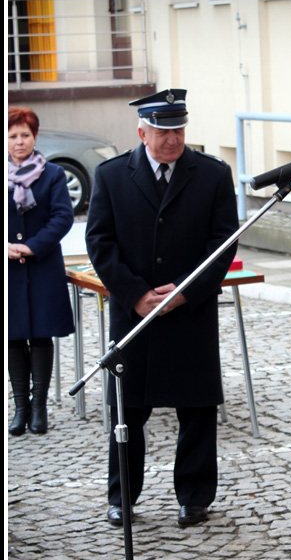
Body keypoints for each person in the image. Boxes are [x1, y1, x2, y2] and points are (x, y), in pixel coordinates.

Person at [86, 89, 239, 528]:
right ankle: (122, 496)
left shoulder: (211, 174)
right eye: (162, 131)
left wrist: (186, 292)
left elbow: (223, 243)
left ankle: (194, 496)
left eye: (178, 130)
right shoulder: (112, 176)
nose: (172, 140)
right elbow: (100, 241)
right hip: (135, 314)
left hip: (189, 312)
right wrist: (135, 293)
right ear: (142, 131)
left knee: (196, 407)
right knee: (128, 409)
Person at [8, 106, 75, 436]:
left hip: (42, 265)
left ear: (35, 137)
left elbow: (62, 217)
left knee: (40, 335)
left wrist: (32, 246)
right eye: (13, 136)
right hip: (9, 269)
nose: (19, 142)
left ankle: (39, 408)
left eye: (25, 135)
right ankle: (20, 407)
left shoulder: (52, 174)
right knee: (13, 337)